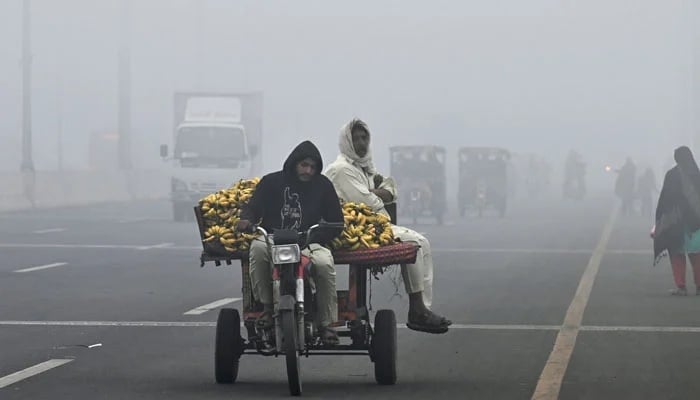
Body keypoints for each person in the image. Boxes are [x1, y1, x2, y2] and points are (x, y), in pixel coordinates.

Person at [324, 118, 452, 334]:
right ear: (346, 141)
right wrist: (380, 193)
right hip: (351, 229)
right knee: (416, 242)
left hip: (373, 224)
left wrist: (380, 192)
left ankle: (421, 307)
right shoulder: (341, 169)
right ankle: (417, 309)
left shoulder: (364, 168)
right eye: (356, 138)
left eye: (365, 138)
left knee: (423, 242)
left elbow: (390, 187)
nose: (362, 143)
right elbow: (369, 202)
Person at [237, 140, 345, 344]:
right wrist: (247, 221)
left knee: (325, 263)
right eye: (304, 165)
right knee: (257, 249)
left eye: (313, 167)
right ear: (294, 163)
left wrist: (319, 234)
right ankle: (267, 308)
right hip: (272, 239)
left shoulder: (323, 186)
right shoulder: (271, 182)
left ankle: (327, 324)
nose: (308, 170)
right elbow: (252, 208)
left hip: (308, 242)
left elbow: (336, 221)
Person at [653, 146, 700, 296]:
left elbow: (665, 200)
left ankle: (681, 287)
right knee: (697, 255)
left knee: (676, 254)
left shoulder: (672, 175)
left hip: (676, 222)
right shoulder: (697, 174)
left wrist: (661, 220)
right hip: (696, 223)